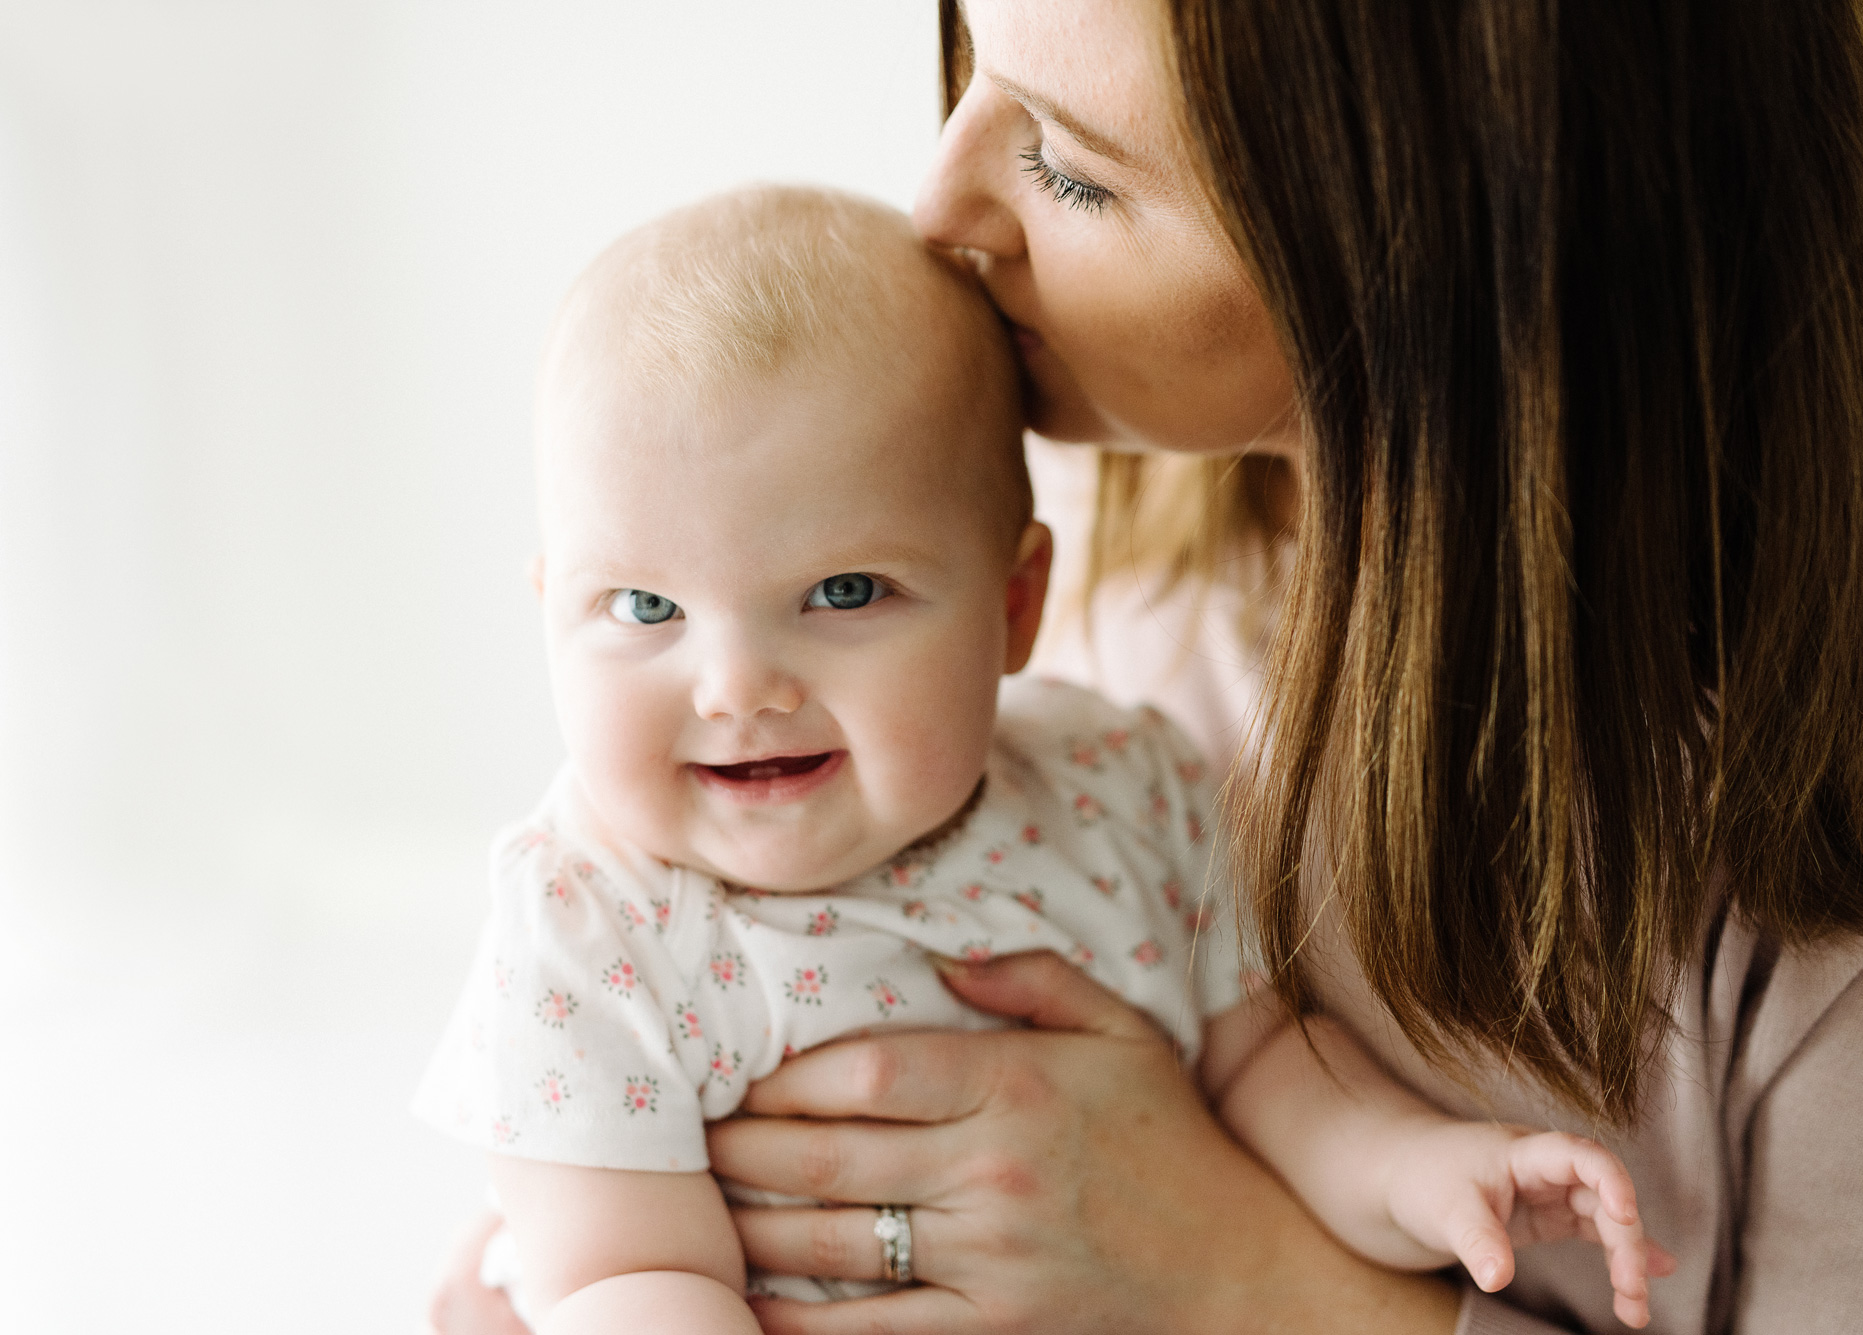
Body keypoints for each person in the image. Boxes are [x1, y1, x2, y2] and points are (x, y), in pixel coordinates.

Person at [432, 2, 1863, 1333]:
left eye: (1066, 164)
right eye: (970, 49)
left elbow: (1246, 1055)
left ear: (1420, 250)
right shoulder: (1148, 521)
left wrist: (1246, 1273)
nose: (939, 205)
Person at [416, 183, 1673, 1335]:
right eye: (642, 609)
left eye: (843, 590)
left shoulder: (1116, 788)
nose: (736, 686)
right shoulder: (588, 925)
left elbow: (1270, 1073)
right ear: (548, 613)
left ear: (1014, 607)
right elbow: (622, 1281)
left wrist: (1419, 1172)